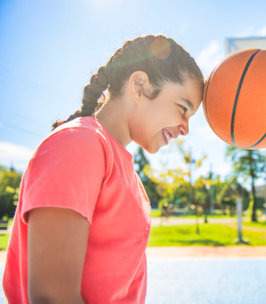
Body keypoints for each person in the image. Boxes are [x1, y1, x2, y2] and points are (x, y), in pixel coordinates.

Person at [3, 34, 203, 303]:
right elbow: (52, 297)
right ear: (140, 86)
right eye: (182, 108)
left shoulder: (122, 167)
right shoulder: (77, 144)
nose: (185, 128)